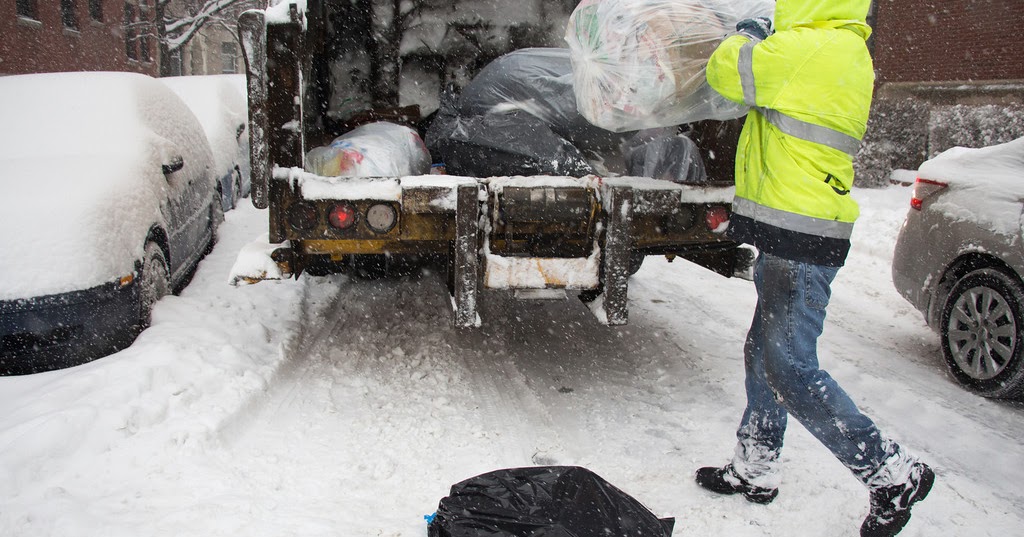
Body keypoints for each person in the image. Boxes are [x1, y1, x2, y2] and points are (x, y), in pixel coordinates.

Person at [694, 2, 934, 536]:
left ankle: (892, 473)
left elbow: (724, 70)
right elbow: (779, 138)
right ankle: (755, 465)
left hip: (803, 240)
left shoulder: (816, 47)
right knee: (765, 352)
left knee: (790, 367)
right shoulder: (835, 46)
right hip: (795, 232)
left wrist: (750, 30)